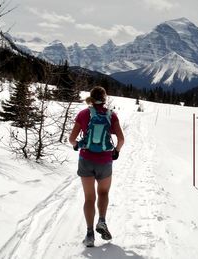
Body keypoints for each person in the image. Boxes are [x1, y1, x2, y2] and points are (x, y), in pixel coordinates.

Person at [69, 86, 125, 247]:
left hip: (86, 159)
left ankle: (89, 234)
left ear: (91, 98)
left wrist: (77, 145)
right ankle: (101, 221)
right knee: (103, 193)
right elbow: (121, 139)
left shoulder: (83, 114)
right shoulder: (111, 115)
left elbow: (72, 139)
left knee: (89, 198)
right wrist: (116, 151)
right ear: (105, 99)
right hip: (105, 161)